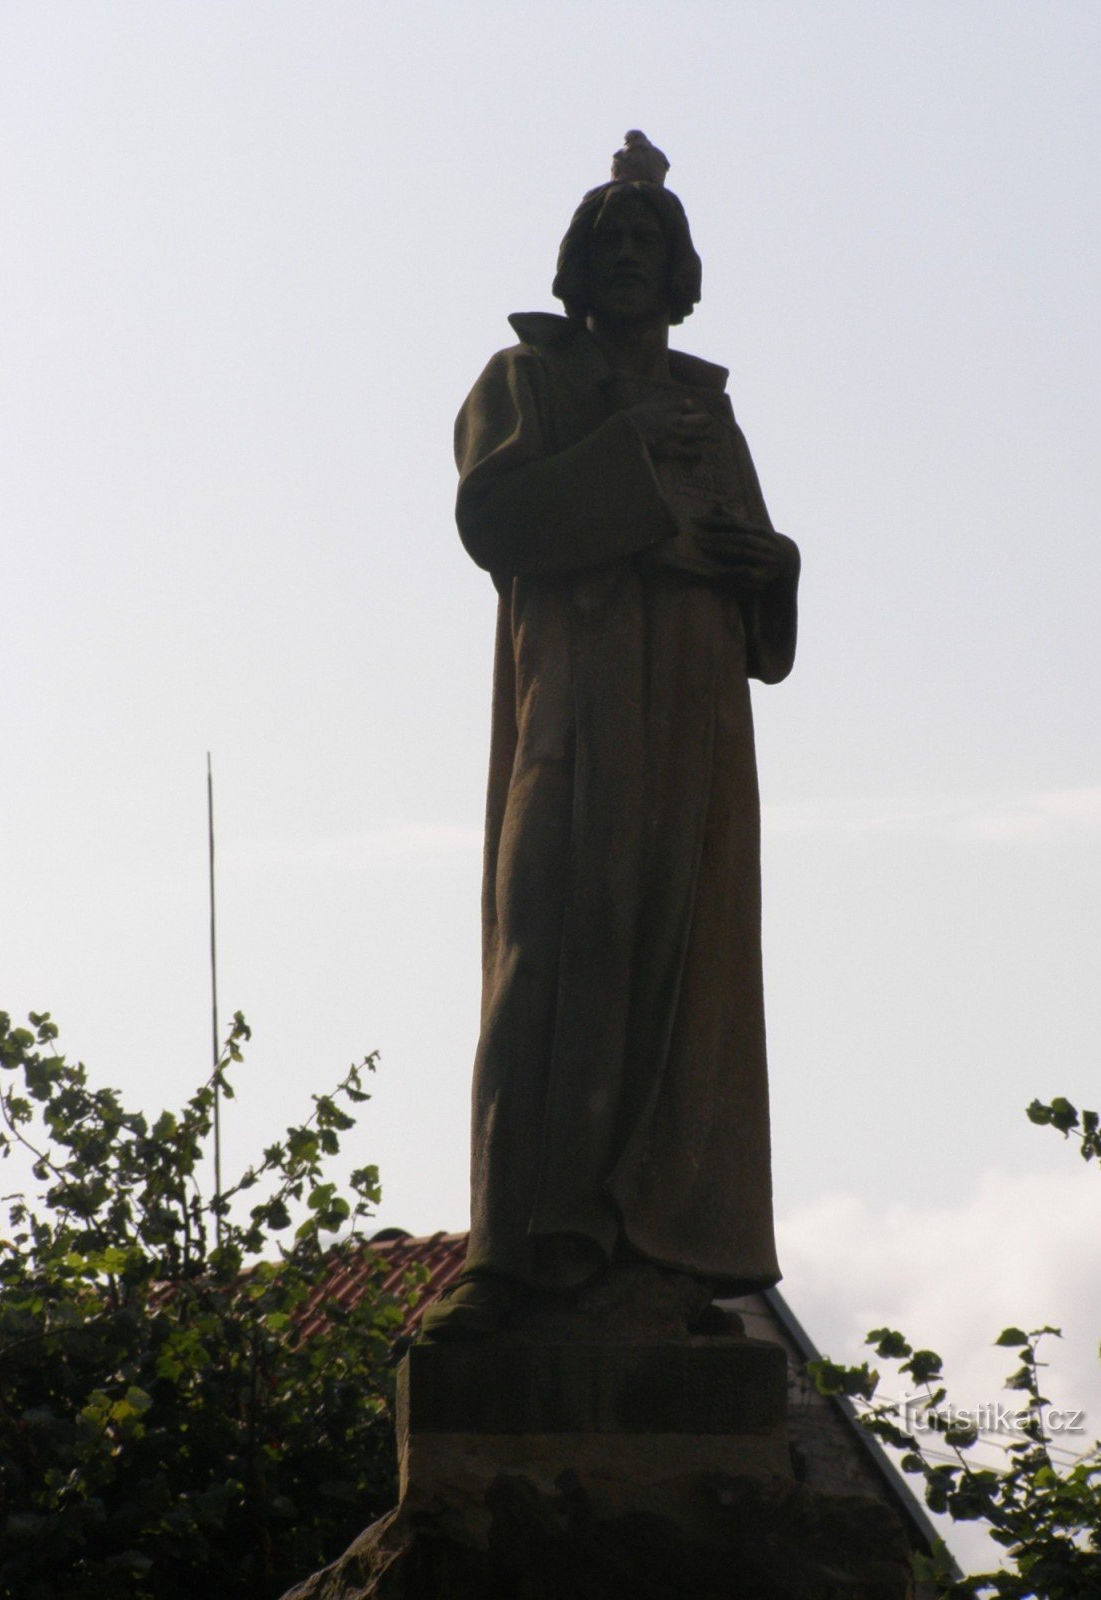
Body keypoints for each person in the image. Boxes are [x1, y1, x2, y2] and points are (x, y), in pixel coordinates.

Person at [422, 134, 799, 1340]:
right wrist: (642, 483)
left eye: (650, 242)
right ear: (577, 269)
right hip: (577, 712)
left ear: (682, 274)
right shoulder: (523, 382)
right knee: (553, 942)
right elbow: (499, 516)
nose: (630, 257)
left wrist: (772, 567)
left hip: (693, 720)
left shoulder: (708, 408)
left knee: (682, 967)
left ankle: (668, 1252)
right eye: (611, 241)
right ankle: (519, 1248)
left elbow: (758, 610)